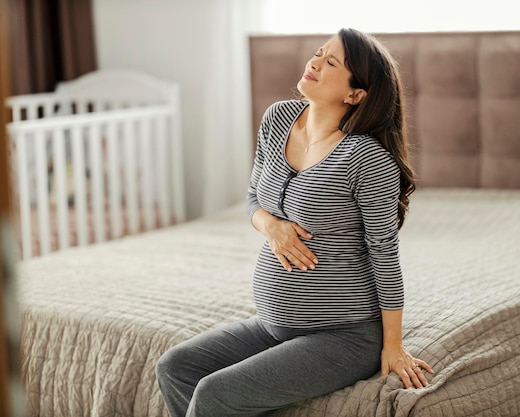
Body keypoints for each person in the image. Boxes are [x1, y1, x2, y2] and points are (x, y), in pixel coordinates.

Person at [156, 27, 434, 417]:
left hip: (343, 335)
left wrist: (393, 344)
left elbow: (384, 254)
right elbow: (254, 197)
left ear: (355, 95)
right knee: (176, 368)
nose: (314, 62)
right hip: (272, 323)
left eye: (331, 62)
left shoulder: (367, 160)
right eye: (319, 53)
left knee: (216, 395)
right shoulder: (278, 119)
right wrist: (271, 226)